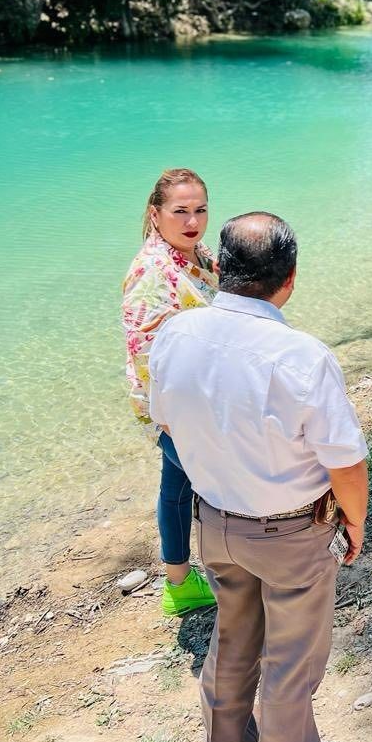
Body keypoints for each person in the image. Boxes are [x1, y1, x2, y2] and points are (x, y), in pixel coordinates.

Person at [149, 213, 372, 742]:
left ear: (220, 268)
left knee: (234, 636)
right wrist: (354, 522)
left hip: (216, 522)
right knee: (291, 659)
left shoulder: (175, 334)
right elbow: (346, 463)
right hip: (292, 531)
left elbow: (165, 420)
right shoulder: (302, 356)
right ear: (290, 279)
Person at [122, 169, 218, 617]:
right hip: (173, 406)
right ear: (155, 214)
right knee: (219, 487)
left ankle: (179, 584)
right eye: (180, 211)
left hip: (197, 397)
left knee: (176, 487)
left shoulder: (193, 252)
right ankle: (235, 575)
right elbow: (143, 352)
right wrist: (168, 419)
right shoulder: (152, 271)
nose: (192, 220)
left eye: (199, 209)